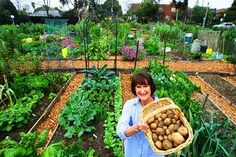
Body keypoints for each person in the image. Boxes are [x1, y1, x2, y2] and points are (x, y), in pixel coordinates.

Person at [116, 71, 164, 157]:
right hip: (133, 153)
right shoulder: (129, 105)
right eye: (138, 87)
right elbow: (120, 131)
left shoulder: (162, 106)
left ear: (151, 87)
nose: (142, 91)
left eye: (145, 86)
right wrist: (136, 128)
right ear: (134, 89)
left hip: (154, 154)